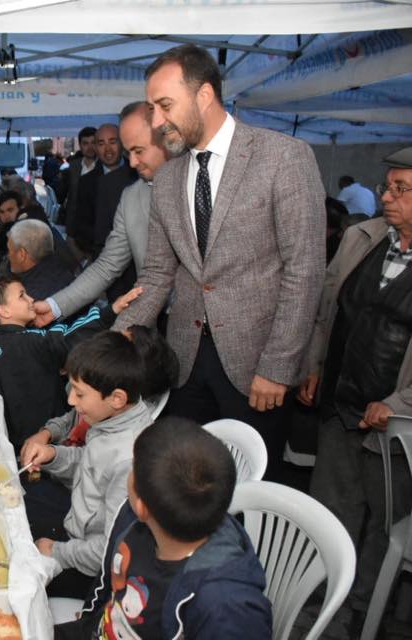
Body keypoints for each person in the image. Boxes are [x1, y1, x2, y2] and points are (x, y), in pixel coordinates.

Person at [111, 44, 326, 480]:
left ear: (204, 95)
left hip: (256, 366)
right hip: (186, 363)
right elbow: (157, 273)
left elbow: (304, 272)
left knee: (249, 489)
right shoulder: (168, 178)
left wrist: (277, 368)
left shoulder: (284, 157)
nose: (157, 121)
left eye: (165, 105)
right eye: (152, 109)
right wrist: (115, 344)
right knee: (185, 486)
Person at [299, 147, 412, 623]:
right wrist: (314, 366)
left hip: (397, 427)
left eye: (401, 189)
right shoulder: (359, 238)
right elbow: (327, 310)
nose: (386, 196)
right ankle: (323, 608)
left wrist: (401, 402)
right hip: (341, 404)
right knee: (330, 514)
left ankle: (369, 615)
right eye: (388, 186)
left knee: (385, 528)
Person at [53, 416, 272, 640]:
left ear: (142, 507)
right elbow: (107, 585)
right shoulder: (134, 518)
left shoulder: (225, 607)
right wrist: (89, 618)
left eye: (133, 466)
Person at [20, 331, 153, 598]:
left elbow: (112, 549)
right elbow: (91, 465)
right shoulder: (113, 419)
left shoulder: (128, 461)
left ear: (117, 398)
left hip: (91, 567)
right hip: (77, 522)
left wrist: (57, 551)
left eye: (80, 394)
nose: (71, 401)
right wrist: (52, 455)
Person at [34, 102, 170, 326]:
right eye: (129, 152)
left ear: (165, 140)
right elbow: (108, 264)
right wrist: (55, 306)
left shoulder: (199, 183)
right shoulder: (131, 197)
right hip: (155, 321)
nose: (132, 162)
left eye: (138, 151)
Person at [0, 273, 140, 451]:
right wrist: (110, 311)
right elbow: (71, 336)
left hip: (17, 438)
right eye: (22, 296)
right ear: (4, 311)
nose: (31, 299)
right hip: (51, 435)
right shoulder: (32, 341)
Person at [73, 123, 138, 262]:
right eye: (101, 144)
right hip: (103, 257)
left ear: (122, 143)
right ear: (96, 148)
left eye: (113, 142)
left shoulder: (138, 172)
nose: (108, 149)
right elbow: (81, 226)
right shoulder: (86, 182)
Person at [7, 219, 75, 303]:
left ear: (21, 255)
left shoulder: (30, 299)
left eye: (9, 250)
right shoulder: (60, 266)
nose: (8, 256)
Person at [58, 126, 98, 243]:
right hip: (76, 228)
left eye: (93, 143)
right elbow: (66, 196)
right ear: (80, 146)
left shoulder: (105, 166)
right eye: (85, 143)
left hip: (98, 226)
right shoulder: (73, 167)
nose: (90, 147)